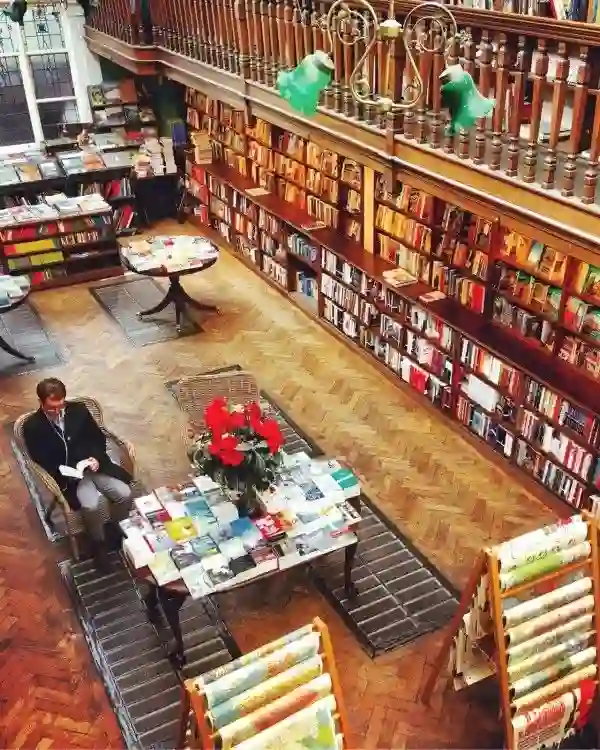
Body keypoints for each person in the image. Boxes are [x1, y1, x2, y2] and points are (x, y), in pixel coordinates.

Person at [23, 377, 133, 570]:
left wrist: (96, 458)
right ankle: (98, 544)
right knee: (91, 505)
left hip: (95, 467)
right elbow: (40, 459)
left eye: (61, 405)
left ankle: (116, 528)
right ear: (40, 402)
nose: (57, 412)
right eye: (51, 408)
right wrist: (68, 471)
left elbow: (97, 438)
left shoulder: (78, 410)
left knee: (124, 494)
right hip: (70, 477)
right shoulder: (33, 427)